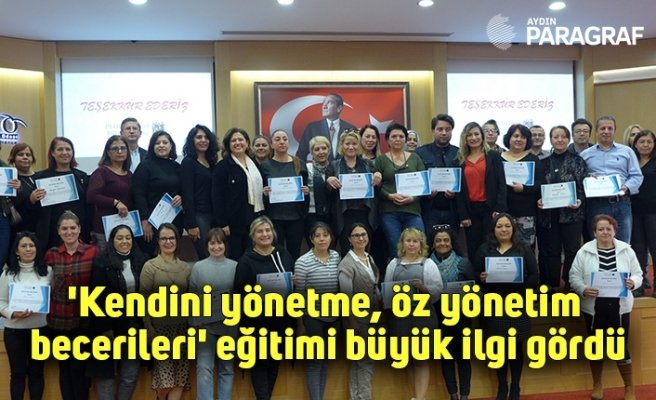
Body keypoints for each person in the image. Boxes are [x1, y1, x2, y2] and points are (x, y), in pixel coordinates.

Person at [569, 214, 642, 400]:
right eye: (600, 229)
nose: (605, 232)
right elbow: (574, 276)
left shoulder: (627, 251)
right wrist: (583, 289)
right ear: (594, 232)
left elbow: (638, 274)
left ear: (615, 231)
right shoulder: (584, 252)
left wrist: (633, 282)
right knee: (595, 346)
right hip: (594, 307)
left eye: (608, 229)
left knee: (620, 346)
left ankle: (629, 388)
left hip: (620, 307)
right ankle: (597, 385)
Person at [473, 213, 539, 400]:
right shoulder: (484, 249)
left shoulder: (523, 248)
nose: (504, 229)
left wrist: (519, 289)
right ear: (493, 229)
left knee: (516, 348)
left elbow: (534, 276)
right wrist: (481, 278)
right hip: (493, 304)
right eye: (499, 226)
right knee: (497, 349)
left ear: (513, 228)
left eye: (507, 226)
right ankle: (502, 386)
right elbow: (475, 276)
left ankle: (515, 386)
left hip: (516, 304)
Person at [233, 216, 295, 400]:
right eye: (260, 231)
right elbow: (238, 295)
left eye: (268, 230)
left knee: (274, 362)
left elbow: (291, 287)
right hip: (256, 323)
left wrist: (293, 283)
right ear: (253, 236)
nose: (265, 234)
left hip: (280, 321)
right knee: (260, 365)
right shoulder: (246, 261)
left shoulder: (284, 255)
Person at [87, 225, 147, 400]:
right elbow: (95, 299)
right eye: (119, 238)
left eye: (128, 237)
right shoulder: (101, 264)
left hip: (134, 327)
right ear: (112, 241)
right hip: (108, 328)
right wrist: (105, 329)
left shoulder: (142, 261)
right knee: (106, 377)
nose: (124, 241)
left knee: (130, 375)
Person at [44, 210, 98, 400]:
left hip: (84, 321)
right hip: (59, 321)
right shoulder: (51, 255)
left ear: (79, 229)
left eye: (73, 228)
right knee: (65, 368)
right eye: (65, 228)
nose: (69, 232)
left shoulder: (93, 252)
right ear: (58, 231)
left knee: (79, 369)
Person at [383, 228, 442, 400]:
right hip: (400, 318)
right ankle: (414, 396)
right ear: (402, 244)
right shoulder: (393, 264)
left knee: (421, 359)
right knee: (406, 358)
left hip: (423, 317)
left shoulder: (428, 264)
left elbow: (438, 290)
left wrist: (424, 288)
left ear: (421, 245)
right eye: (408, 241)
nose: (411, 244)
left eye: (415, 241)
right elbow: (386, 290)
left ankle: (420, 398)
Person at [139, 223, 191, 400]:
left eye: (171, 238)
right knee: (165, 381)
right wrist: (148, 327)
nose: (168, 242)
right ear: (158, 241)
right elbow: (143, 299)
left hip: (182, 330)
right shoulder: (150, 266)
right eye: (164, 238)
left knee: (180, 379)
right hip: (159, 330)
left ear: (177, 240)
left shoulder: (186, 268)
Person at [0, 232, 51, 400]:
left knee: (37, 373)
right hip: (14, 332)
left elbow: (54, 299)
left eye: (32, 245)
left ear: (37, 248)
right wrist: (13, 313)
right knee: (17, 374)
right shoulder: (7, 274)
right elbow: (1, 302)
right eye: (23, 246)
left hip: (41, 331)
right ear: (16, 251)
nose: (28, 249)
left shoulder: (48, 271)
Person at [189, 228, 238, 400]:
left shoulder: (235, 266)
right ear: (207, 246)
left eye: (220, 243)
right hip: (204, 327)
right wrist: (194, 321)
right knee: (204, 367)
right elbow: (192, 297)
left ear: (225, 245)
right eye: (212, 243)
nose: (216, 247)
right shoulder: (198, 267)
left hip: (229, 326)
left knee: (227, 369)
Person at [537, 126, 587, 292]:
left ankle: (570, 284)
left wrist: (579, 200)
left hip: (572, 214)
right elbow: (539, 188)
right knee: (552, 251)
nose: (559, 140)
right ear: (550, 139)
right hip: (549, 215)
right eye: (556, 137)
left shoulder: (578, 161)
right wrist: (539, 200)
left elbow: (583, 186)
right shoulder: (543, 163)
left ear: (568, 139)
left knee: (572, 251)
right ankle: (552, 285)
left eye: (563, 137)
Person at [294, 222, 341, 400]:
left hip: (333, 318)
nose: (322, 239)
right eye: (318, 236)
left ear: (331, 238)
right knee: (315, 362)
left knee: (325, 361)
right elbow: (299, 296)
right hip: (312, 318)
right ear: (311, 239)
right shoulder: (303, 262)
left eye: (325, 235)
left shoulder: (336, 257)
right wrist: (300, 324)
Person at [580, 116, 643, 243]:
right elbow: (579, 178)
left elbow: (637, 176)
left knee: (623, 245)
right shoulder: (585, 155)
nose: (606, 131)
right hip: (596, 204)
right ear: (596, 131)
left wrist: (627, 187)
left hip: (622, 204)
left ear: (614, 131)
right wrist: (587, 179)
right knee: (599, 245)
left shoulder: (627, 151)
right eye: (603, 128)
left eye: (610, 128)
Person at [429, 226, 474, 400]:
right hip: (438, 317)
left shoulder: (464, 263)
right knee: (446, 357)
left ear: (452, 243)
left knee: (463, 357)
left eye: (446, 240)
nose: (442, 243)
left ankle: (464, 396)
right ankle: (453, 395)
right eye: (438, 240)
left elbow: (473, 289)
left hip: (462, 317)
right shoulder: (427, 264)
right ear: (433, 244)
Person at [337, 223, 380, 400]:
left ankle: (357, 397)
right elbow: (345, 296)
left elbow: (374, 287)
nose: (361, 238)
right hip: (356, 320)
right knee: (365, 362)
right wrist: (352, 321)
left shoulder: (369, 258)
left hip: (372, 317)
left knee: (361, 361)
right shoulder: (347, 264)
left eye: (363, 234)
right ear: (349, 239)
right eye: (356, 235)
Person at [455, 122, 507, 261]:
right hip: (470, 210)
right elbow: (459, 191)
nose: (474, 138)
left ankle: (491, 274)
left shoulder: (493, 156)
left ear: (482, 136)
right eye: (469, 135)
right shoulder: (459, 160)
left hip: (490, 209)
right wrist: (463, 215)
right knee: (473, 248)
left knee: (492, 245)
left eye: (476, 134)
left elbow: (501, 184)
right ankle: (476, 274)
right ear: (465, 138)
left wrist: (499, 208)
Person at [375, 123, 426, 258]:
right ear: (387, 140)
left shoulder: (415, 158)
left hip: (412, 211)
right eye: (394, 136)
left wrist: (413, 198)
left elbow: (424, 184)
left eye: (401, 136)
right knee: (396, 248)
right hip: (389, 212)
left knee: (418, 245)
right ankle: (397, 272)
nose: (398, 139)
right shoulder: (380, 160)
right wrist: (389, 196)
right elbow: (376, 187)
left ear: (405, 139)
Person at [213, 128, 264, 261]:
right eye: (233, 140)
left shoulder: (254, 164)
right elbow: (217, 197)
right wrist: (223, 223)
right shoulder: (223, 166)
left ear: (247, 143)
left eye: (240, 139)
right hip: (233, 223)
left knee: (253, 257)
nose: (237, 143)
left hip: (254, 219)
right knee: (237, 258)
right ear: (228, 145)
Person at [325, 130, 380, 255]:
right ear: (341, 145)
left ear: (359, 145)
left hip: (365, 213)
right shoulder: (334, 166)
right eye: (347, 144)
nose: (351, 147)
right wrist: (329, 181)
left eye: (354, 144)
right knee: (346, 249)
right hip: (344, 214)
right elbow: (327, 193)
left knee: (365, 248)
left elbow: (377, 190)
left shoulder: (369, 165)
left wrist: (378, 178)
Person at [34, 137, 91, 250]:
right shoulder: (40, 177)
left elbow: (88, 206)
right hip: (50, 233)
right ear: (52, 153)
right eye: (60, 149)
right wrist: (32, 199)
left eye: (68, 149)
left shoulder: (82, 177)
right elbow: (34, 210)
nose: (64, 152)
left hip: (78, 231)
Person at [132, 130, 183, 256]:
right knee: (152, 255)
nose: (161, 145)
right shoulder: (145, 166)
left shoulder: (177, 166)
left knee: (172, 254)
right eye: (157, 143)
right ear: (152, 146)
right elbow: (138, 195)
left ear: (171, 146)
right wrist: (145, 220)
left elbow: (182, 189)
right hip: (151, 221)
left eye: (165, 142)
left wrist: (181, 197)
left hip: (174, 219)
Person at [261, 129, 309, 260]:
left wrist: (306, 192)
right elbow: (260, 192)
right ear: (272, 145)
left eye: (285, 139)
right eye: (277, 139)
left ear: (288, 143)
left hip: (296, 217)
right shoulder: (265, 166)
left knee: (295, 253)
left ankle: (293, 274)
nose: (281, 142)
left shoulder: (299, 163)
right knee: (276, 253)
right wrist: (264, 193)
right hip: (274, 217)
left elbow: (305, 190)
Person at [415, 113, 460, 236]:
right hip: (429, 210)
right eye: (440, 129)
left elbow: (464, 182)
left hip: (453, 210)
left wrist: (455, 193)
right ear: (433, 131)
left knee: (453, 242)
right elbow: (416, 181)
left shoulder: (459, 153)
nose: (444, 133)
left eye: (448, 129)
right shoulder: (420, 153)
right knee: (428, 243)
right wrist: (425, 192)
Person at [501, 124, 545, 248]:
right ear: (509, 138)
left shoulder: (533, 159)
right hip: (503, 212)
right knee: (504, 247)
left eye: (523, 137)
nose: (519, 139)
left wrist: (524, 188)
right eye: (515, 136)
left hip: (526, 213)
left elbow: (540, 184)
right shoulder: (499, 159)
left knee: (526, 249)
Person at [87, 135, 132, 252]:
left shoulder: (129, 173)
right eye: (115, 148)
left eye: (123, 148)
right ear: (108, 152)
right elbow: (91, 196)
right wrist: (115, 203)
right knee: (106, 259)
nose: (120, 151)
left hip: (125, 225)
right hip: (104, 227)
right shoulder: (101, 172)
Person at [181, 124, 219, 259]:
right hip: (198, 216)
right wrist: (191, 224)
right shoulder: (188, 162)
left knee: (216, 253)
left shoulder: (212, 162)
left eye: (206, 137)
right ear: (192, 141)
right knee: (206, 254)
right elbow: (187, 194)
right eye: (199, 137)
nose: (203, 140)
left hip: (213, 214)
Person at [630, 129, 656, 296]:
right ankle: (639, 285)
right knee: (638, 250)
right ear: (635, 144)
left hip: (653, 212)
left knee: (655, 249)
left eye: (649, 142)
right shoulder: (631, 161)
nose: (645, 145)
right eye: (642, 142)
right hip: (634, 212)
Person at [296, 93, 357, 161]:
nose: (324, 106)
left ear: (339, 108)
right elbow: (301, 155)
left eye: (329, 102)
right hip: (320, 167)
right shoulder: (312, 128)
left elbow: (358, 154)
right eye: (323, 103)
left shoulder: (351, 129)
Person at [7, 143, 39, 241]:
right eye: (20, 154)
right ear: (13, 158)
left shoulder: (41, 177)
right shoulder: (10, 180)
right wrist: (19, 192)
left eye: (28, 155)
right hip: (19, 229)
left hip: (40, 227)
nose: (25, 157)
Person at [306, 136, 331, 241]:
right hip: (312, 214)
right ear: (312, 152)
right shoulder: (306, 168)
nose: (321, 152)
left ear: (329, 150)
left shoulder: (334, 167)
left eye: (324, 148)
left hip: (332, 213)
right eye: (317, 149)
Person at [0, 146, 21, 268]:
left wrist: (18, 188)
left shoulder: (6, 169)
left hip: (2, 217)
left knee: (1, 257)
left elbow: (16, 199)